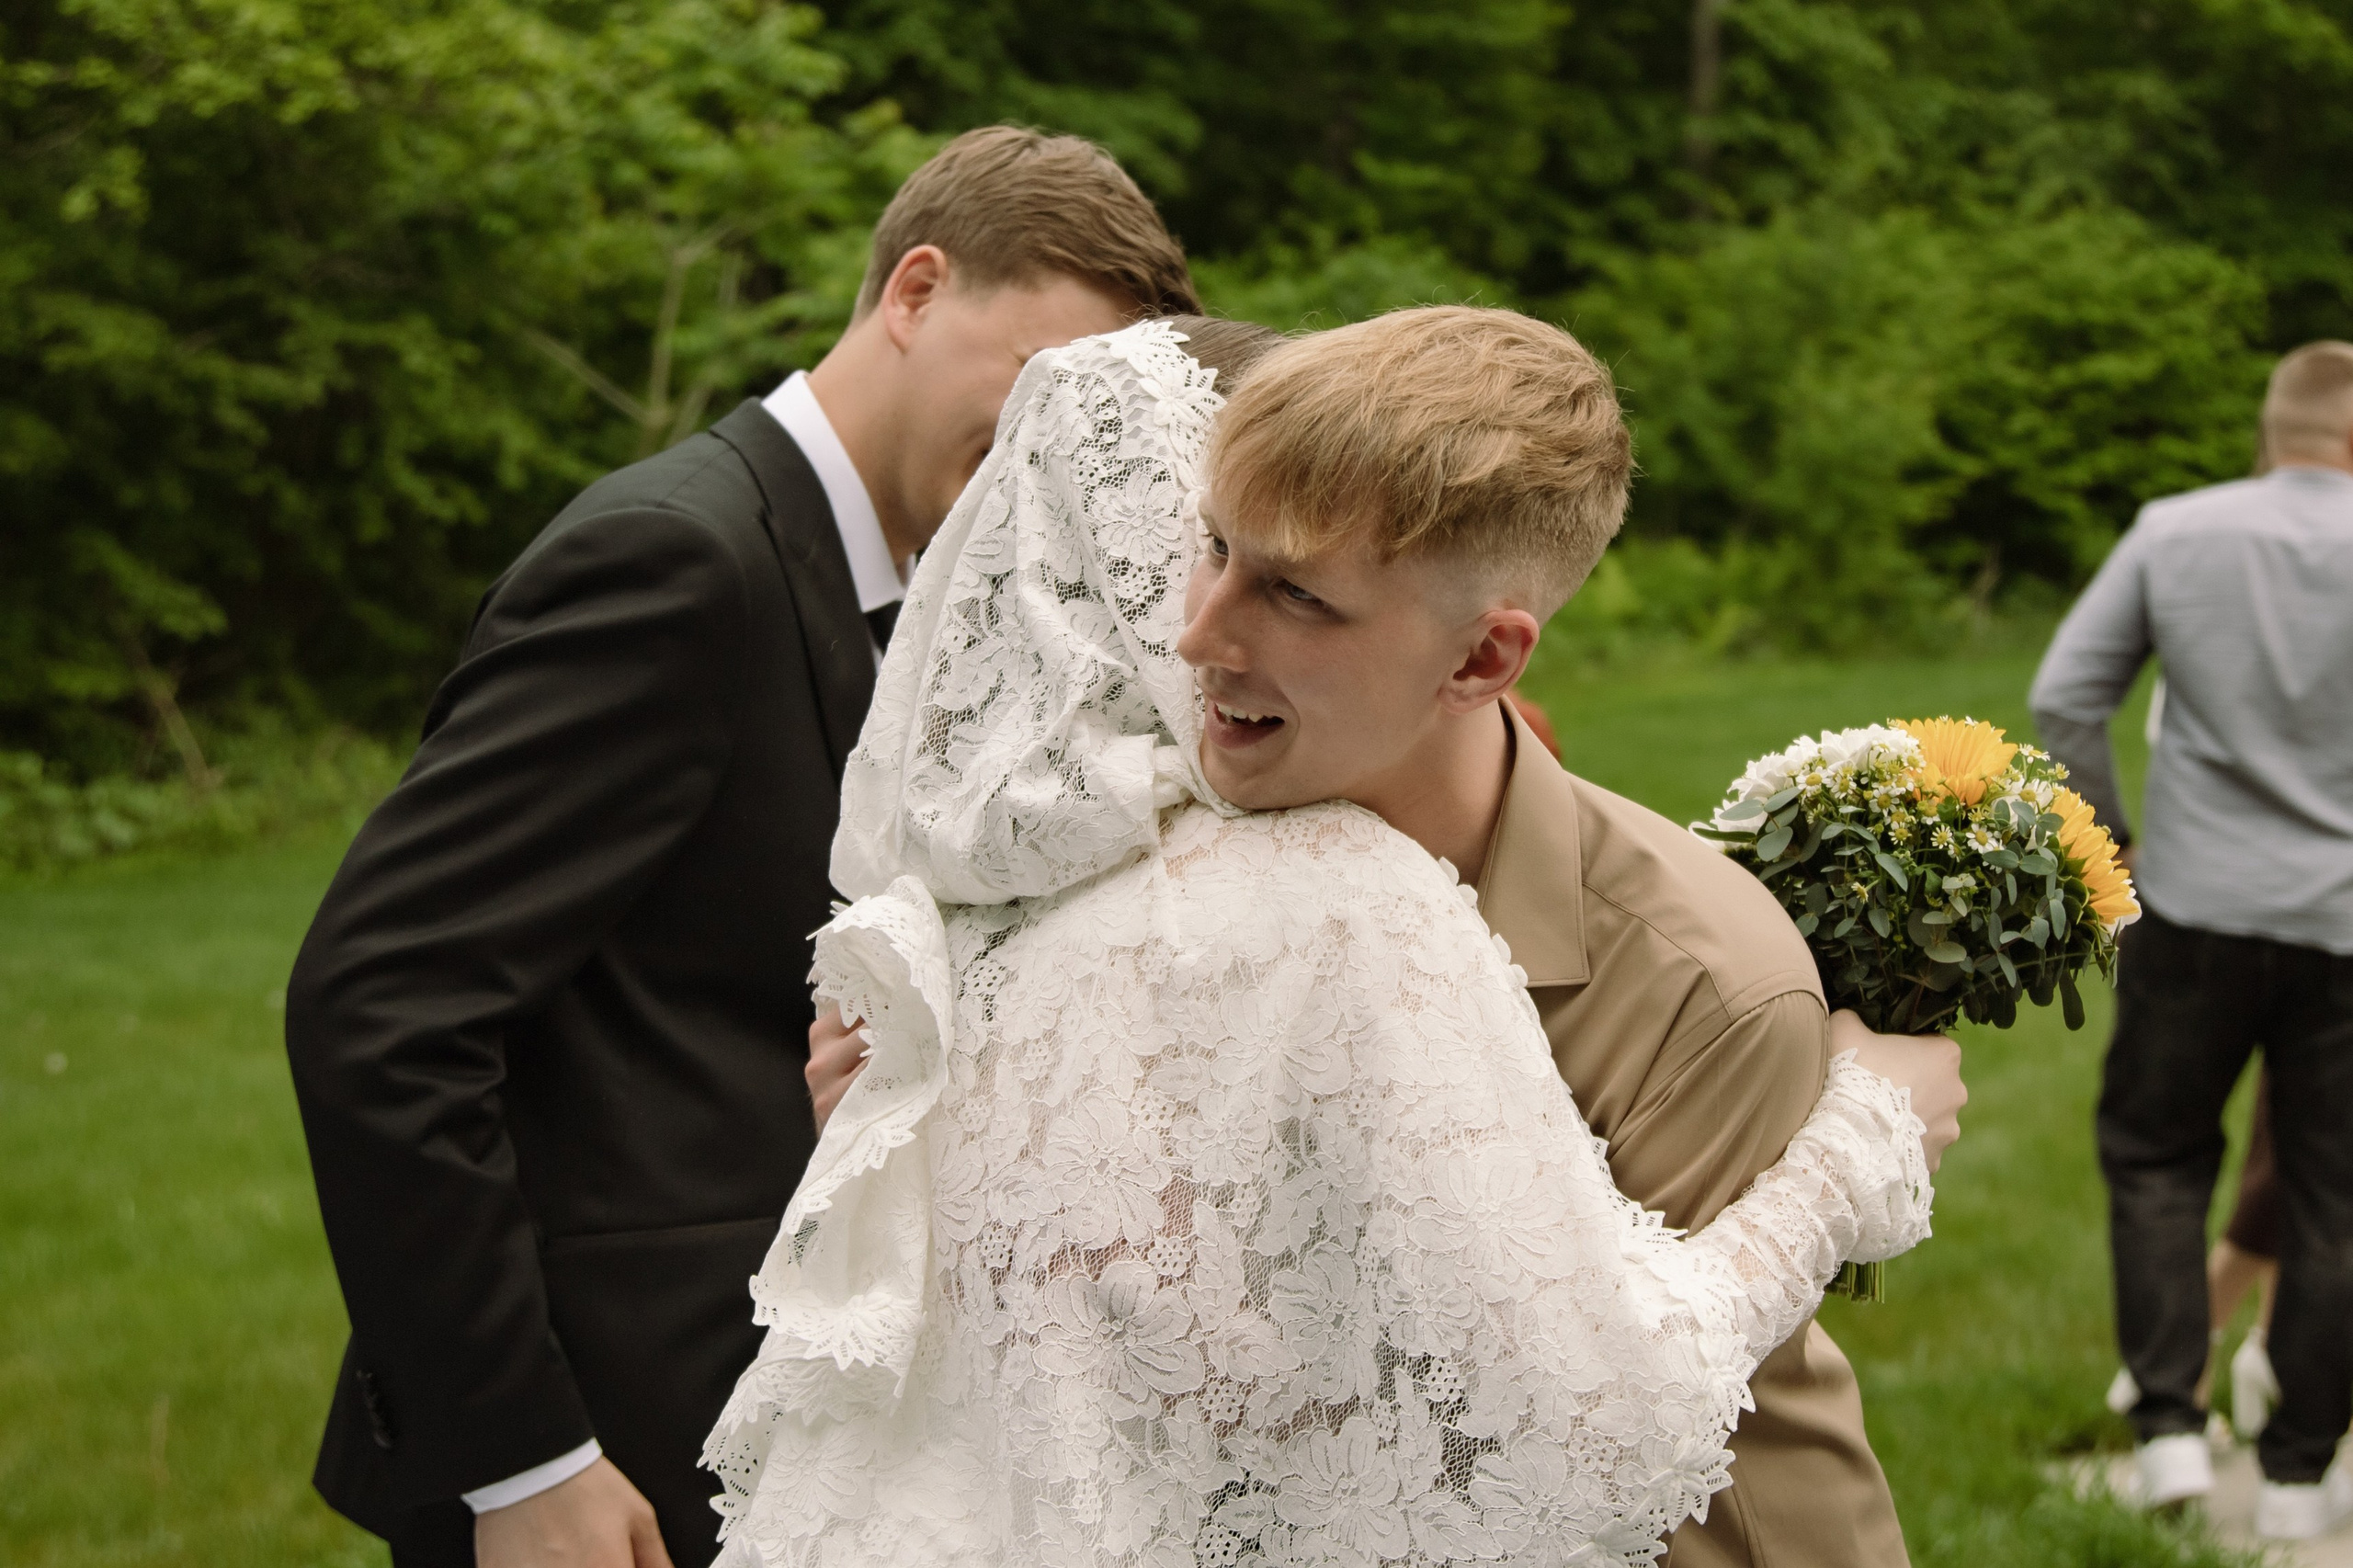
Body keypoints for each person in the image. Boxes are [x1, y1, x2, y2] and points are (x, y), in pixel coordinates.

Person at [735, 312, 1966, 1566]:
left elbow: (1651, 1462)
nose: (1197, 635)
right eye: (1213, 548)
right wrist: (930, 1147)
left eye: (1297, 595)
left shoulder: (1700, 986)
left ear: (1482, 658)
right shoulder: (1107, 870)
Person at [282, 127, 1196, 1568]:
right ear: (916, 290)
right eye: (1033, 388)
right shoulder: (677, 560)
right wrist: (520, 1459)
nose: (1045, 456)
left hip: (792, 1422)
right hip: (612, 1443)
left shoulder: (925, 591)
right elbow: (383, 1003)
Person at [2029, 340, 2353, 1540]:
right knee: (2335, 1191)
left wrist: (2111, 846)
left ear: (2273, 430)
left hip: (2195, 907)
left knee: (2159, 1159)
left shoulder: (2175, 531)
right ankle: (2299, 1475)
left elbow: (2067, 694)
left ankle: (2168, 1431)